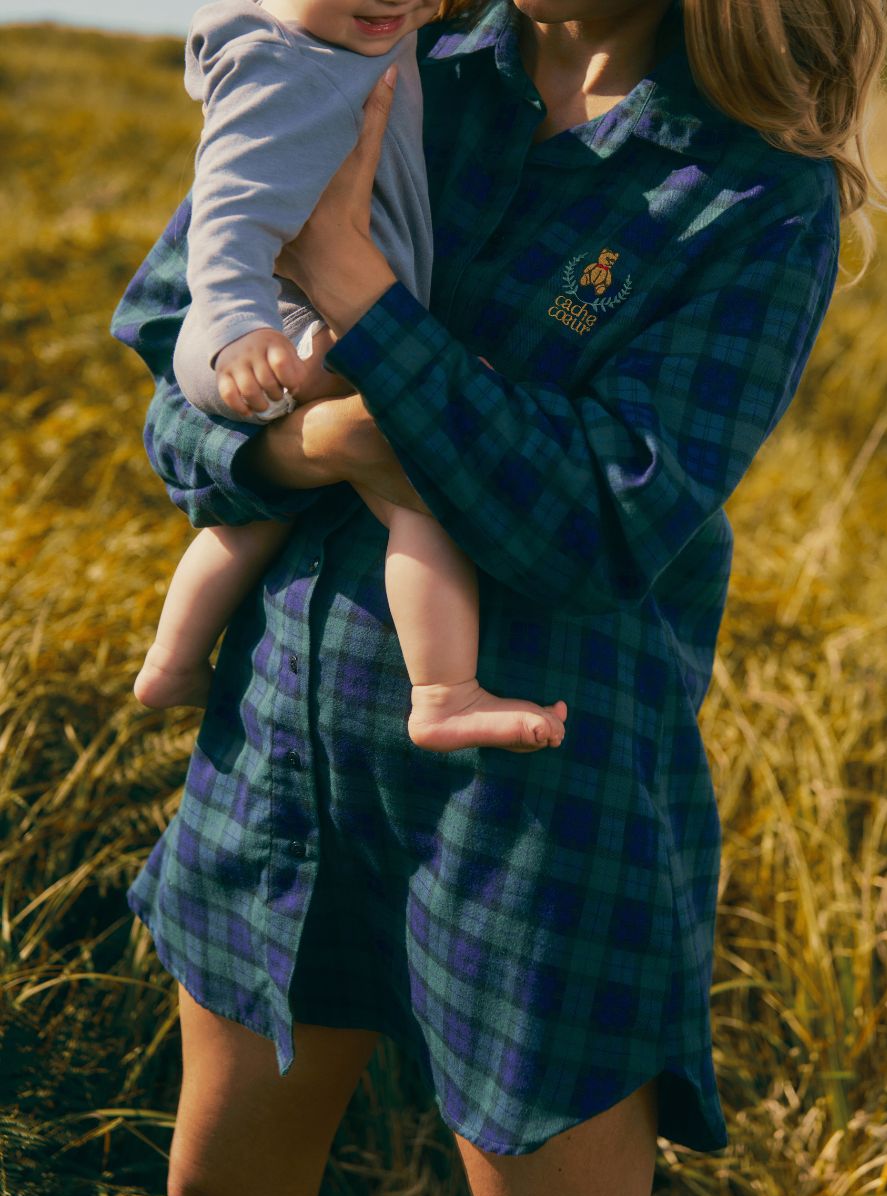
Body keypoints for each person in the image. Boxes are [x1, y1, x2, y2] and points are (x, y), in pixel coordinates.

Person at [111, 0, 887, 1196]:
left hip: (539, 802)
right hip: (281, 749)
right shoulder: (369, 50)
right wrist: (334, 440)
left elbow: (599, 518)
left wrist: (356, 291)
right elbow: (176, 367)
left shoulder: (750, 188)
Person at [133, 0, 567, 755]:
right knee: (420, 495)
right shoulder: (290, 67)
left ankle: (172, 662)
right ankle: (442, 692)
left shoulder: (346, 37)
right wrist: (239, 328)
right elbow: (228, 211)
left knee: (261, 513)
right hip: (284, 330)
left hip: (269, 327)